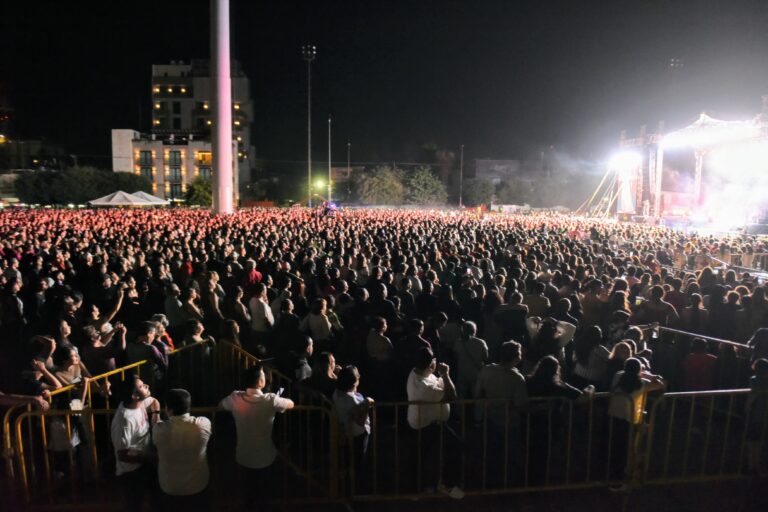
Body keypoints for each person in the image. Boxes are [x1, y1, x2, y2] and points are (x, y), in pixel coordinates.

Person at [219, 364, 294, 510]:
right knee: (265, 492)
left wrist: (237, 396)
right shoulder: (270, 400)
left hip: (243, 455)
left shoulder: (235, 397)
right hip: (266, 457)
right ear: (261, 382)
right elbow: (291, 404)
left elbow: (221, 405)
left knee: (248, 491)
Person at [406, 347, 463, 499]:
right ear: (431, 364)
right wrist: (445, 374)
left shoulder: (417, 372)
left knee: (420, 456)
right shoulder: (425, 388)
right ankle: (445, 485)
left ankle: (417, 488)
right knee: (454, 448)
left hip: (427, 422)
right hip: (428, 425)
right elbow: (451, 395)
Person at [607, 358, 664, 490]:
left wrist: (639, 371)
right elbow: (660, 384)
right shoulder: (642, 383)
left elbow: (624, 372)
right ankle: (623, 478)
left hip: (613, 415)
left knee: (615, 447)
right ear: (639, 370)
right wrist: (646, 373)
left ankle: (614, 475)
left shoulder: (618, 377)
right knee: (628, 448)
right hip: (629, 418)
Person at [152, 388, 212, 510]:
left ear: (168, 409)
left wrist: (156, 412)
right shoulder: (203, 424)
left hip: (169, 486)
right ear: (188, 406)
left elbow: (156, 425)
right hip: (198, 484)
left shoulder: (159, 430)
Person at [110, 375, 161, 511]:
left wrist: (155, 416)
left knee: (156, 500)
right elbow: (122, 454)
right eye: (141, 386)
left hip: (145, 463)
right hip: (131, 472)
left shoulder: (138, 403)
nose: (147, 386)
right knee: (134, 505)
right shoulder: (124, 420)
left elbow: (154, 401)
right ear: (134, 395)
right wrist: (150, 457)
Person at [332, 365, 373, 482]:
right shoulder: (352, 400)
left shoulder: (337, 393)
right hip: (359, 433)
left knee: (347, 460)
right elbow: (360, 421)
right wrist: (366, 404)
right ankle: (355, 490)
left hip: (346, 432)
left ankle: (346, 488)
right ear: (355, 382)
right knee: (358, 462)